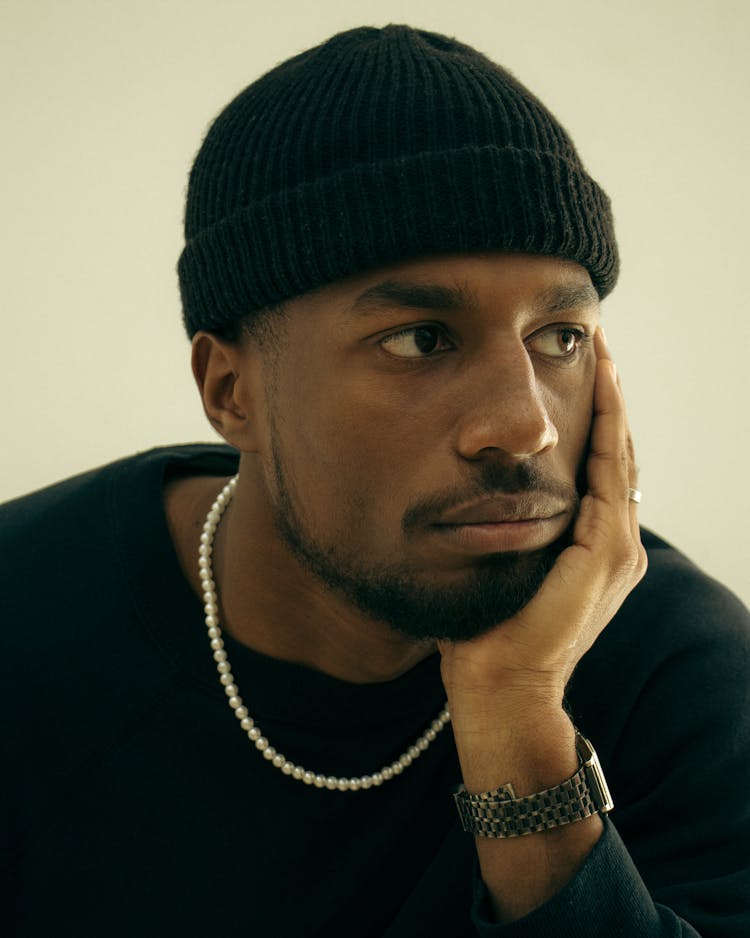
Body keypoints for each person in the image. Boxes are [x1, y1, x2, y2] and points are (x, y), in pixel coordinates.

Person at [1, 24, 748, 938]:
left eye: (561, 337)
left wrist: (517, 714)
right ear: (229, 391)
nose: (525, 425)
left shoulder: (678, 668)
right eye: (421, 339)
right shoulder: (26, 616)